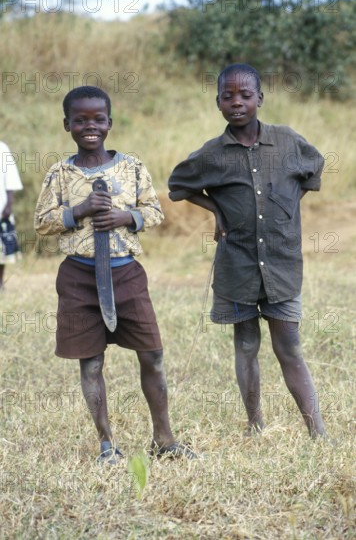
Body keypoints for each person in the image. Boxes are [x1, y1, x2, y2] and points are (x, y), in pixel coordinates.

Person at [34, 86, 196, 463]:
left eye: (98, 119)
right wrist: (81, 209)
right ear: (67, 125)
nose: (90, 127)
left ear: (110, 123)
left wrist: (128, 217)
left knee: (152, 354)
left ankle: (164, 440)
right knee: (90, 362)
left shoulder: (133, 167)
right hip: (78, 278)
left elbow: (154, 212)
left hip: (126, 275)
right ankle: (107, 444)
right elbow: (42, 223)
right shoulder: (59, 174)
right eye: (80, 120)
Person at [168, 63, 326, 439]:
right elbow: (178, 184)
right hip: (236, 267)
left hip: (282, 265)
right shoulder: (212, 155)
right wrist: (216, 209)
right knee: (246, 343)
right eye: (228, 96)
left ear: (260, 99)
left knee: (289, 345)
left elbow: (315, 168)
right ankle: (255, 425)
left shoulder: (287, 141)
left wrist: (289, 204)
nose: (236, 102)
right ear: (218, 102)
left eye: (245, 95)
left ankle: (317, 431)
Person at [0, 141, 23, 289]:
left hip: (1, 209)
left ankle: (0, 284)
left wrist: (8, 205)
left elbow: (11, 177)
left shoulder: (2, 148)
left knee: (2, 253)